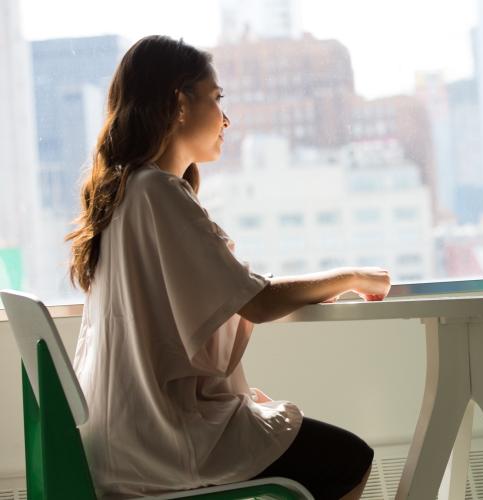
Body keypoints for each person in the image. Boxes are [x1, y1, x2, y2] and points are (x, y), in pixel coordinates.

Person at [67, 35, 390, 500]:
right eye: (217, 99)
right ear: (180, 103)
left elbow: (168, 331)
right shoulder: (157, 193)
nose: (227, 118)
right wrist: (353, 276)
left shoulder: (122, 195)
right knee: (348, 458)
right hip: (162, 442)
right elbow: (256, 301)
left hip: (120, 438)